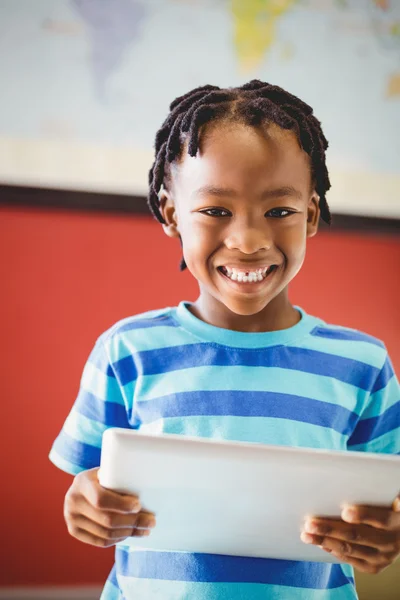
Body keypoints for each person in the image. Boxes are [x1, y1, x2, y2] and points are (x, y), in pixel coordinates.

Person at [49, 80, 400, 600]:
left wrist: (385, 536)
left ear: (309, 214)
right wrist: (82, 508)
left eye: (279, 211)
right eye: (215, 211)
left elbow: (388, 507)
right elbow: (87, 487)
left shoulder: (363, 363)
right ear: (171, 214)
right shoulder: (128, 352)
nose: (249, 241)